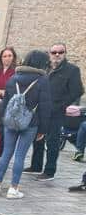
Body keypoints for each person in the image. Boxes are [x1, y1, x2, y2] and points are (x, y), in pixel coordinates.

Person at [0, 50, 53, 199]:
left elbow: (5, 103)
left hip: (11, 121)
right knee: (20, 155)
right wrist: (43, 129)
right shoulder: (43, 80)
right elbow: (45, 107)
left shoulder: (13, 78)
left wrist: (3, 120)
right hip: (31, 122)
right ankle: (13, 188)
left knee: (6, 153)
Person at [28, 42, 84, 181]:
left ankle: (49, 171)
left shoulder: (72, 70)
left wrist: (62, 105)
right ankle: (36, 165)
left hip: (56, 111)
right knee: (38, 137)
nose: (57, 55)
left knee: (52, 141)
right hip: (41, 109)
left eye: (61, 52)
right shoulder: (44, 68)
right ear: (49, 54)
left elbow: (78, 90)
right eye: (54, 52)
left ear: (65, 53)